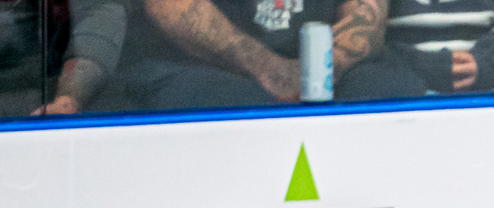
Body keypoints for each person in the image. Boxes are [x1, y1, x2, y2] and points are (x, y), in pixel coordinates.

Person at [118, 0, 423, 111]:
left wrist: (326, 68)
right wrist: (270, 70)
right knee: (227, 107)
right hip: (207, 66)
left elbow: (367, 12)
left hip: (322, 67)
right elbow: (171, 7)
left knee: (392, 93)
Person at [385, 0, 494, 95]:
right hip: (406, 85)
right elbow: (367, 43)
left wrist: (489, 62)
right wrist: (418, 66)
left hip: (493, 81)